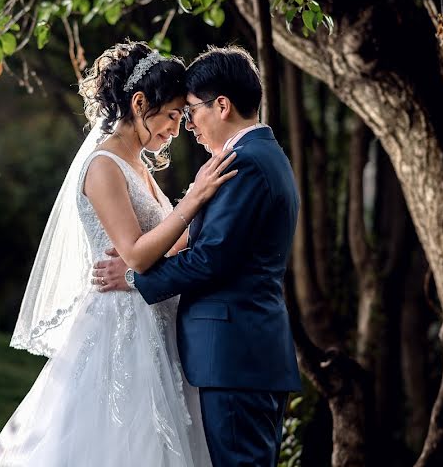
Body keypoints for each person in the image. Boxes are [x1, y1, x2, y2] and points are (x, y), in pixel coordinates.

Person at [0, 41, 236, 467]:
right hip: (122, 324)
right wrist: (193, 200)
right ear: (140, 103)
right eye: (173, 115)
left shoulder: (138, 165)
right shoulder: (103, 166)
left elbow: (169, 242)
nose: (176, 129)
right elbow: (136, 255)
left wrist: (206, 210)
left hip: (155, 316)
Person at [93, 46, 302, 467]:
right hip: (240, 355)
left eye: (190, 111)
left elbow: (211, 258)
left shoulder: (246, 163)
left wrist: (134, 278)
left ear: (221, 105)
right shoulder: (259, 156)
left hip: (235, 359)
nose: (188, 125)